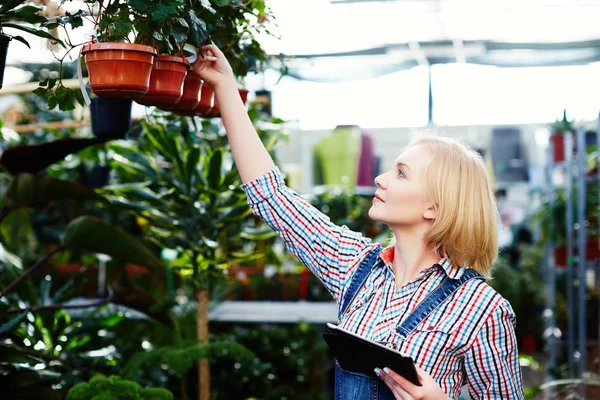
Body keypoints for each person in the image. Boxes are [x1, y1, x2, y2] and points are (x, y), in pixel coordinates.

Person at [193, 44, 525, 400]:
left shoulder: (482, 309)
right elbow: (272, 197)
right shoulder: (357, 267)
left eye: (401, 173)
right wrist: (225, 87)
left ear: (434, 206)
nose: (381, 179)